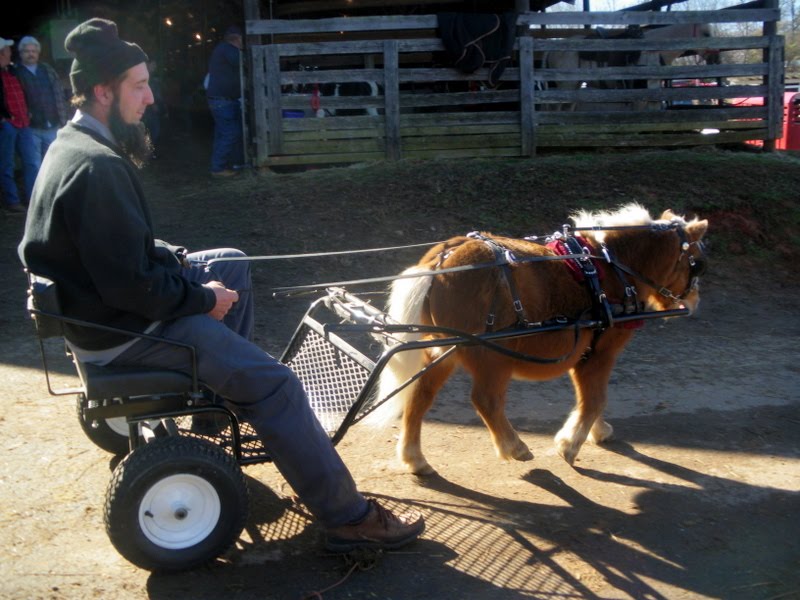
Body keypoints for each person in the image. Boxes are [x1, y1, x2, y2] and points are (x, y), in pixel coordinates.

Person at [18, 18, 424, 554]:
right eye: (138, 86)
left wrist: (183, 264)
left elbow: (119, 248)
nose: (151, 98)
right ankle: (346, 518)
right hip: (121, 330)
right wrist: (203, 299)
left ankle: (218, 403)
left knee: (230, 262)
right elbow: (132, 288)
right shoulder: (97, 167)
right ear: (102, 91)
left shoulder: (74, 144)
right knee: (277, 384)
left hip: (100, 310)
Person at [15, 36, 70, 163]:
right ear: (21, 53)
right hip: (31, 128)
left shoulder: (47, 69)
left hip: (52, 125)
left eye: (34, 51)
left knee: (55, 162)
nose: (31, 54)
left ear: (38, 53)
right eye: (27, 51)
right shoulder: (16, 72)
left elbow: (59, 93)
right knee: (35, 165)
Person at [0, 37, 38, 213]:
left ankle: (33, 198)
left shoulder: (12, 72)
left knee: (31, 162)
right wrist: (4, 119)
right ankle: (12, 200)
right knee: (6, 164)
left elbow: (22, 94)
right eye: (7, 50)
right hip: (7, 125)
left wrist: (27, 111)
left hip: (23, 123)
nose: (10, 53)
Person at [206, 25, 244, 178]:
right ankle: (218, 168)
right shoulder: (228, 50)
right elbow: (243, 61)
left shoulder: (222, 49)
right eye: (242, 39)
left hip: (221, 100)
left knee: (223, 134)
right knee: (230, 133)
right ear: (238, 38)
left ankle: (222, 164)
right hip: (223, 101)